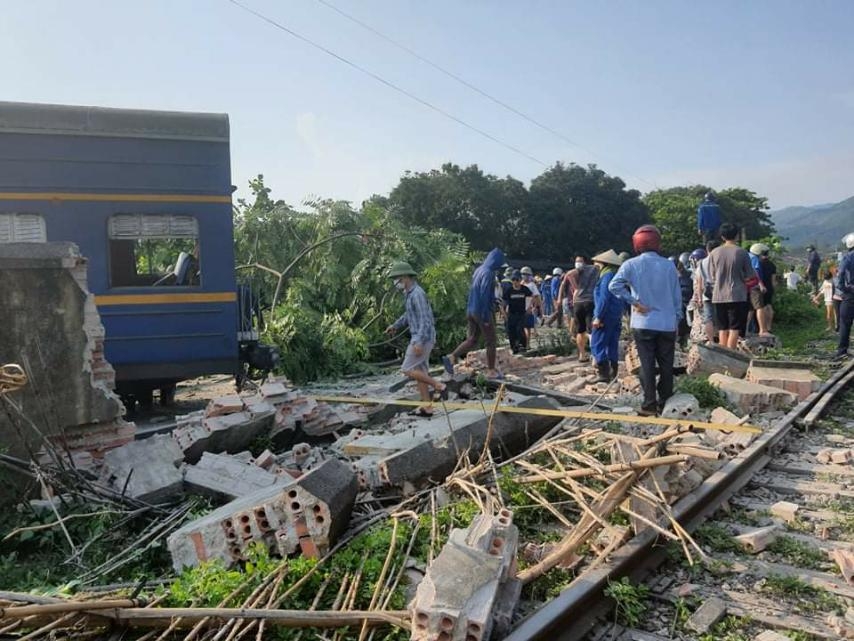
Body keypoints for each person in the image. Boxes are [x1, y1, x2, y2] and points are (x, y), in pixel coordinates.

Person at [609, 225, 682, 416]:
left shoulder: (630, 265)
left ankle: (649, 403)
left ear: (637, 244)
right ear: (658, 243)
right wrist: (678, 319)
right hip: (667, 323)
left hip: (643, 323)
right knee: (667, 364)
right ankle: (666, 400)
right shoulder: (668, 265)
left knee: (647, 363)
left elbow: (613, 286)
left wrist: (634, 302)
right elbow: (677, 297)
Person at [385, 261, 447, 417]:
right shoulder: (409, 294)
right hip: (421, 336)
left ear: (405, 277)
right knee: (420, 371)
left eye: (397, 279)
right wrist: (395, 325)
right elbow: (409, 315)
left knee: (407, 369)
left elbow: (425, 319)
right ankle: (427, 407)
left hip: (422, 338)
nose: (396, 283)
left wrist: (418, 342)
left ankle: (438, 385)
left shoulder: (417, 294)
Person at [444, 248, 505, 378]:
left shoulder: (478, 270)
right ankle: (491, 371)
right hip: (482, 312)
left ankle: (451, 357)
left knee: (472, 339)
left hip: (471, 310)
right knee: (491, 341)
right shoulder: (488, 273)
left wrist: (494, 299)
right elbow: (483, 294)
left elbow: (477, 291)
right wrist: (486, 317)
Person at [707, 223, 756, 350]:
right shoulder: (741, 252)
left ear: (722, 236)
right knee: (735, 328)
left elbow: (711, 276)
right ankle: (731, 353)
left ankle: (723, 354)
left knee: (723, 328)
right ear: (737, 235)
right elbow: (750, 275)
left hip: (718, 295)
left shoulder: (714, 252)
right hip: (737, 294)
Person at [590, 250, 624, 382]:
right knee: (611, 343)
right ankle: (613, 373)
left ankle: (603, 374)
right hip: (615, 314)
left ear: (603, 263)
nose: (595, 264)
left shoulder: (606, 276)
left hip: (605, 315)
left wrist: (598, 316)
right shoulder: (616, 275)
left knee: (597, 343)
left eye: (596, 262)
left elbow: (604, 298)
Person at [566, 255, 599, 362]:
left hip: (578, 302)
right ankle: (594, 356)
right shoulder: (594, 268)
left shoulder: (581, 270)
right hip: (589, 301)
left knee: (580, 331)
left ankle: (582, 355)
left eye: (579, 261)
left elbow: (569, 274)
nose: (578, 263)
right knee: (591, 330)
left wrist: (576, 288)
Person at [502, 270, 532, 353]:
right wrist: (504, 313)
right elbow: (503, 302)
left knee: (519, 329)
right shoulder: (509, 290)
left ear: (520, 280)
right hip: (511, 314)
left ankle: (523, 346)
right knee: (511, 331)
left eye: (517, 280)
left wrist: (529, 308)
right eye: (513, 280)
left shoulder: (525, 289)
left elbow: (530, 298)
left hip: (522, 313)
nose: (515, 282)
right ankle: (514, 348)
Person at [835, 233, 854, 359]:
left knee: (845, 323)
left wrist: (843, 288)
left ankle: (842, 351)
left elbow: (841, 273)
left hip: (850, 294)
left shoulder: (847, 258)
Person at [747, 243, 770, 336]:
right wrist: (761, 284)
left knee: (750, 309)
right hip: (754, 286)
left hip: (747, 286)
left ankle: (745, 330)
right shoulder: (754, 258)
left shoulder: (747, 256)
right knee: (760, 307)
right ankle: (763, 330)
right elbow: (755, 271)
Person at [757, 246, 777, 335]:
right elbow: (773, 280)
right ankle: (769, 327)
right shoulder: (772, 265)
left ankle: (763, 327)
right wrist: (773, 289)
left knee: (762, 307)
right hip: (769, 287)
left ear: (760, 255)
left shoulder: (759, 263)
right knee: (769, 306)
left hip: (761, 287)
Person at [520, 266, 542, 345]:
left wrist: (536, 307)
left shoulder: (532, 285)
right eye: (523, 274)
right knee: (522, 327)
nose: (524, 276)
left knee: (527, 327)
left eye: (526, 274)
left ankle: (527, 344)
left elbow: (536, 297)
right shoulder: (520, 284)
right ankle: (524, 343)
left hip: (529, 308)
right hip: (521, 307)